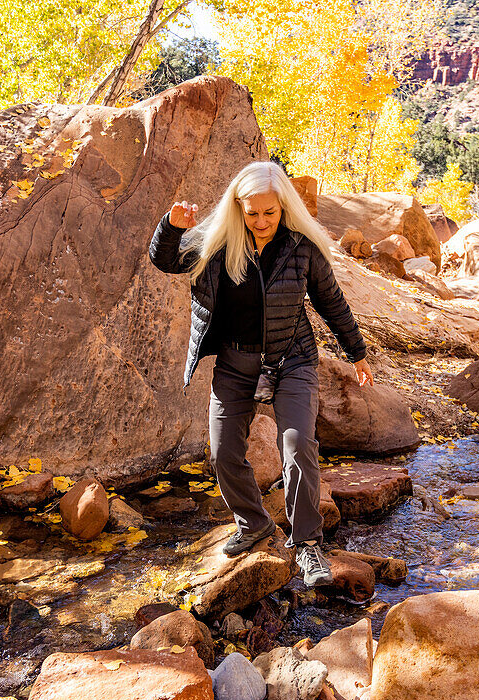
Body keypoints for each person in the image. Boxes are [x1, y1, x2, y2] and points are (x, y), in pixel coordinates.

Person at [148, 161, 373, 588]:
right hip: (236, 363)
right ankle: (254, 523)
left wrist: (357, 353)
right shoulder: (216, 242)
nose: (262, 221)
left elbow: (331, 301)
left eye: (270, 212)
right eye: (252, 213)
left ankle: (307, 544)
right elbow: (166, 261)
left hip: (293, 360)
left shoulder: (300, 246)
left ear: (283, 206)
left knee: (297, 446)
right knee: (223, 451)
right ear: (238, 207)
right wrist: (171, 227)